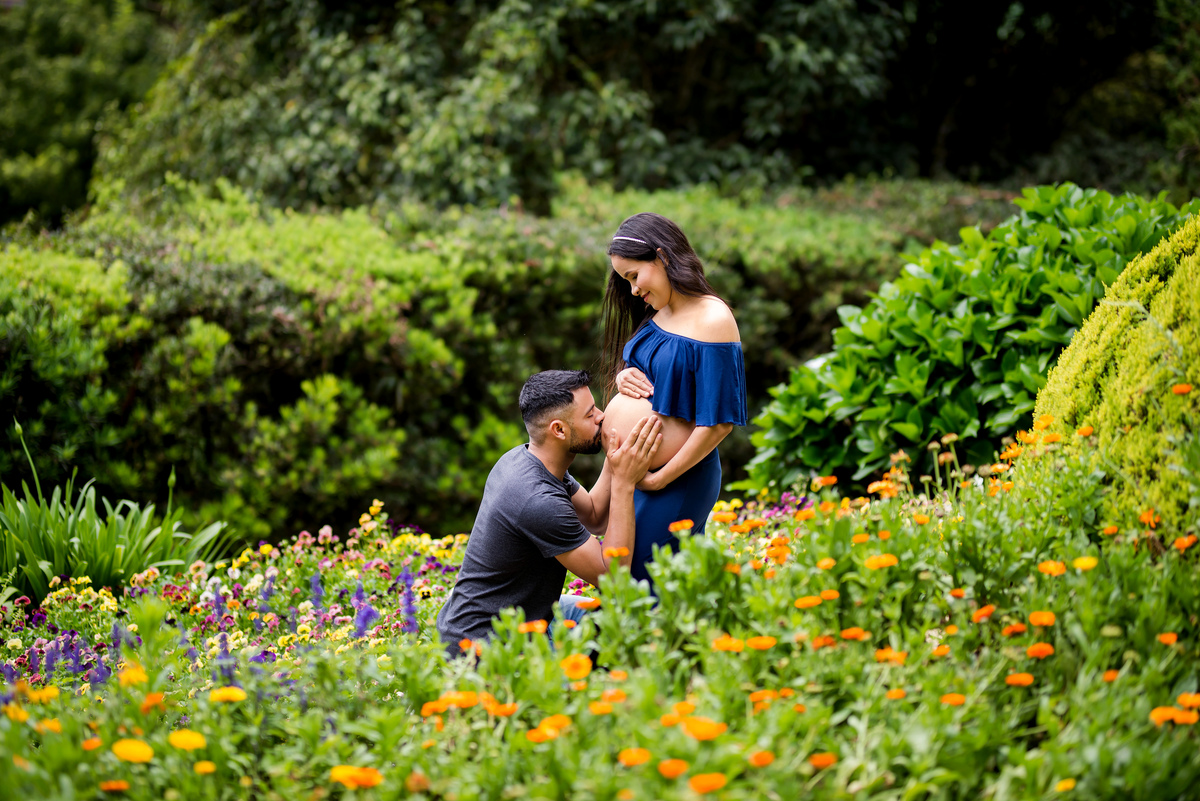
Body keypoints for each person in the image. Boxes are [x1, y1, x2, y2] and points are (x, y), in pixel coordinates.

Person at [435, 369, 662, 655]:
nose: (602, 416)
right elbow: (613, 578)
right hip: (487, 648)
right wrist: (625, 483)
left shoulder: (530, 459)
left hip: (517, 618)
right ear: (559, 430)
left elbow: (594, 516)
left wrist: (616, 453)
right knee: (622, 634)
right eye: (590, 414)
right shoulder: (536, 499)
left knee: (621, 619)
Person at [599, 213, 747, 585]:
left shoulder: (713, 319)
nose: (633, 290)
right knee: (632, 574)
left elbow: (717, 423)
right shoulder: (659, 310)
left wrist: (661, 478)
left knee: (642, 578)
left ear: (662, 257)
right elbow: (656, 377)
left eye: (634, 276)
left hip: (679, 478)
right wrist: (624, 375)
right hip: (641, 475)